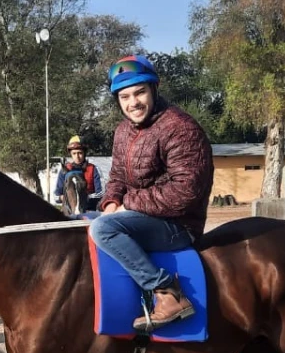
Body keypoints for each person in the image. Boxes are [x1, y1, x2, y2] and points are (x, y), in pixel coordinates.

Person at [88, 54, 214, 333]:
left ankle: (167, 292)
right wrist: (111, 201)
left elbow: (185, 191)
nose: (133, 103)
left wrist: (127, 204)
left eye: (139, 93)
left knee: (104, 230)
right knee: (88, 220)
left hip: (178, 224)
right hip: (141, 215)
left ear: (153, 89)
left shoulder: (181, 128)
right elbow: (118, 176)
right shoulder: (122, 131)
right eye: (124, 97)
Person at [54, 136, 105, 212]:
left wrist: (83, 197)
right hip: (69, 212)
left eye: (80, 153)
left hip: (89, 211)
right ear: (71, 154)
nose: (77, 157)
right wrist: (69, 197)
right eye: (74, 153)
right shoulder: (63, 171)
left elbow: (101, 193)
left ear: (84, 153)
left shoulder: (94, 169)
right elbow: (56, 197)